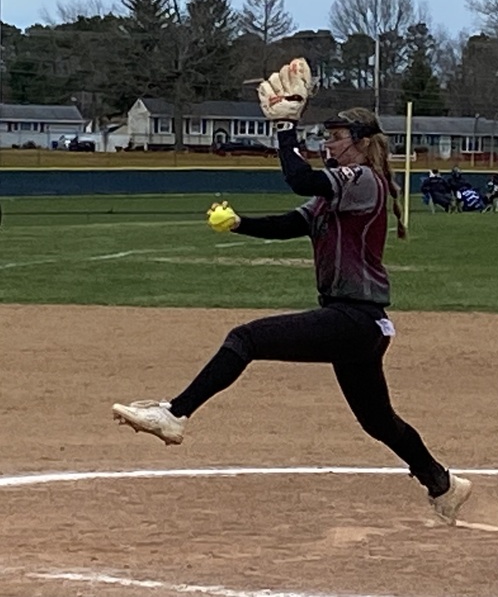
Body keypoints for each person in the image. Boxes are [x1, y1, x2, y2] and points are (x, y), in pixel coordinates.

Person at [112, 58, 472, 525]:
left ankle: (175, 414)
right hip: (358, 323)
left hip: (355, 318)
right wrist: (240, 224)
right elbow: (292, 222)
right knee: (377, 421)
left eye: (337, 137)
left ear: (361, 144)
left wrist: (285, 127)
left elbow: (298, 176)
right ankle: (442, 484)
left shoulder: (362, 180)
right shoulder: (336, 192)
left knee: (246, 338)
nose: (329, 143)